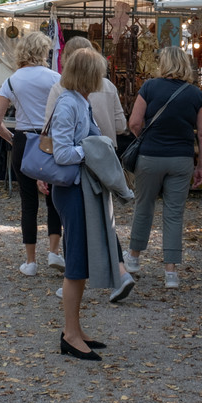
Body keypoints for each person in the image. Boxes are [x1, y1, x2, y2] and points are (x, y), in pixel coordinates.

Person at [50, 48, 128, 361]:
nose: (102, 78)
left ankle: (75, 330)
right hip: (72, 191)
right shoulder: (69, 103)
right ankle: (70, 334)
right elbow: (62, 154)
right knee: (76, 264)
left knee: (79, 265)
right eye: (98, 72)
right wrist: (92, 151)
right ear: (88, 74)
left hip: (79, 190)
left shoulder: (80, 101)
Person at [124, 45, 202, 288]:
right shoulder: (195, 94)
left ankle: (133, 258)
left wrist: (146, 137)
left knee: (144, 206)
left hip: (150, 157)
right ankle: (170, 272)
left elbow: (134, 122)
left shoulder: (149, 87)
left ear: (163, 64)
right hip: (181, 159)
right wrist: (200, 165)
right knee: (174, 214)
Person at [0, 31, 64, 277]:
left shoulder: (12, 81)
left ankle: (30, 261)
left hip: (24, 140)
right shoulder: (56, 78)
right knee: (55, 197)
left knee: (28, 201)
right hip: (49, 141)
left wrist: (12, 139)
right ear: (44, 52)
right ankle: (54, 251)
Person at [44, 37, 126, 144]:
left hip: (72, 153)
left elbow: (49, 126)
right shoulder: (108, 86)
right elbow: (121, 126)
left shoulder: (59, 87)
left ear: (67, 59)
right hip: (106, 153)